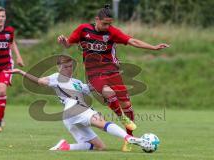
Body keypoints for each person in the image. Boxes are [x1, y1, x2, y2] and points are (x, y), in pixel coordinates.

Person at [57, 4, 169, 150]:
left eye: (110, 24)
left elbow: (133, 41)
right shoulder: (83, 29)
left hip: (112, 71)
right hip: (93, 72)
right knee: (107, 91)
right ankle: (122, 118)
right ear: (97, 19)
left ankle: (129, 138)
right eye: (104, 23)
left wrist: (153, 47)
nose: (107, 26)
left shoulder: (112, 32)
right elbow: (68, 44)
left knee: (126, 105)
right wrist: (64, 42)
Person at [5, 55, 150, 151]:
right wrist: (21, 73)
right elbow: (40, 81)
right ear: (59, 68)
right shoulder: (56, 77)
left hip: (71, 116)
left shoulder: (77, 82)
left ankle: (65, 146)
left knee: (99, 147)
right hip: (74, 108)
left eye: (70, 66)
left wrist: (106, 82)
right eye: (65, 67)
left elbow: (93, 88)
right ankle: (130, 138)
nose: (69, 69)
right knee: (101, 122)